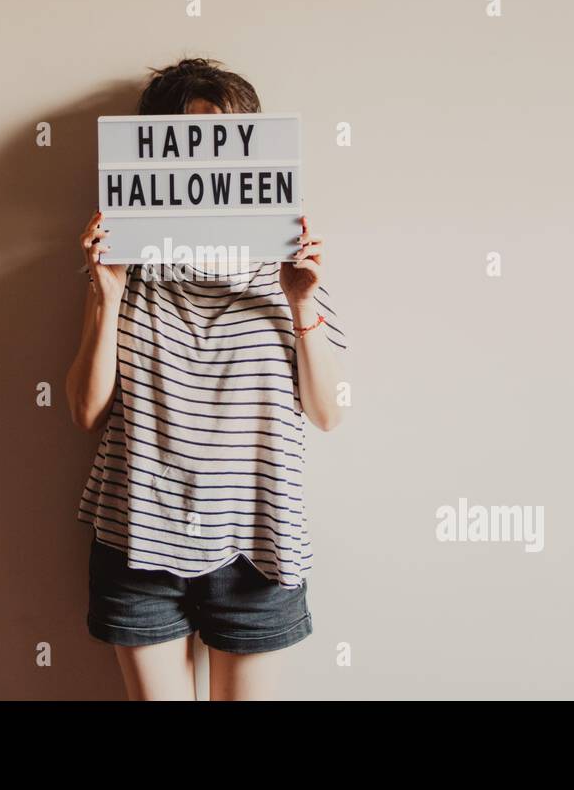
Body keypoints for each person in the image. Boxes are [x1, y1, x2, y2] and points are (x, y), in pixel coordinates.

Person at [65, 58, 348, 700]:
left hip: (258, 546)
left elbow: (328, 412)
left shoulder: (287, 273)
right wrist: (106, 297)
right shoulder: (124, 275)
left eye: (220, 141)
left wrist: (303, 303)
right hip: (137, 540)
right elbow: (84, 412)